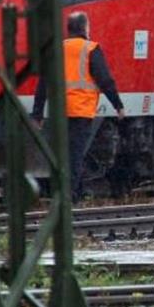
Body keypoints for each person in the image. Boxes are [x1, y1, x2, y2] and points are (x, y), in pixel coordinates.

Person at [31, 11, 126, 203]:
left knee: (62, 154)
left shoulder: (57, 49)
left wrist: (37, 114)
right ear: (85, 28)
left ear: (68, 29)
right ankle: (70, 197)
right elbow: (105, 80)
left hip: (59, 112)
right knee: (75, 155)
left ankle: (70, 191)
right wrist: (118, 105)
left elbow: (43, 84)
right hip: (81, 112)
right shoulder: (91, 49)